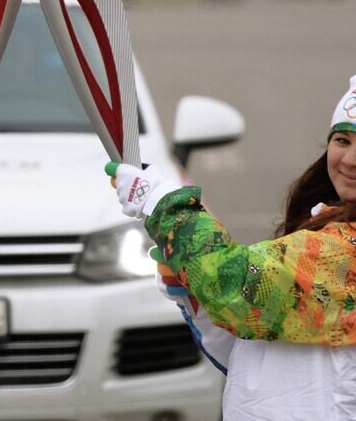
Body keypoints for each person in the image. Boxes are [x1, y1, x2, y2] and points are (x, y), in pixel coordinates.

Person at [107, 75, 356, 419]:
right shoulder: (324, 225)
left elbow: (239, 287)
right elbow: (255, 346)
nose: (350, 159)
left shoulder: (346, 251)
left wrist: (162, 205)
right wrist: (195, 292)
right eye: (343, 139)